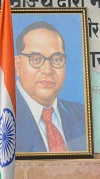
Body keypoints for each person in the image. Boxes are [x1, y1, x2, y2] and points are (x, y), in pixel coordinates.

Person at [15, 21, 87, 153]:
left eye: (57, 59)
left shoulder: (83, 116)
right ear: (17, 65)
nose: (47, 70)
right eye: (36, 59)